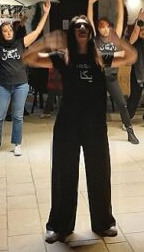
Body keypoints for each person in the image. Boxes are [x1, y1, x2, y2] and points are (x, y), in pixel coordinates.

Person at [22, 15, 137, 244]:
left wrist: (116, 38)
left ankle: (104, 223)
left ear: (90, 31)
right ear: (73, 31)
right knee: (64, 175)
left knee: (100, 173)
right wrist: (46, 41)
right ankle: (58, 226)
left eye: (85, 25)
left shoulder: (99, 56)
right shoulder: (64, 57)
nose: (82, 27)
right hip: (68, 124)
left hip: (94, 123)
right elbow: (29, 57)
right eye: (77, 25)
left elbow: (131, 56)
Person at [0, 1, 51, 158]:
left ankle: (17, 144)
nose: (8, 33)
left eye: (9, 30)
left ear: (13, 32)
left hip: (21, 85)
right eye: (5, 31)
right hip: (3, 86)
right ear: (1, 34)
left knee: (18, 116)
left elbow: (37, 32)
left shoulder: (20, 43)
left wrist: (46, 13)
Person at [87, 0, 139, 144]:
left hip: (111, 77)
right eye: (101, 27)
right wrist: (90, 4)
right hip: (97, 78)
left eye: (106, 27)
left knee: (122, 104)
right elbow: (89, 20)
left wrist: (120, 2)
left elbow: (121, 20)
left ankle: (130, 132)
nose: (104, 29)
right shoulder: (95, 39)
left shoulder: (114, 37)